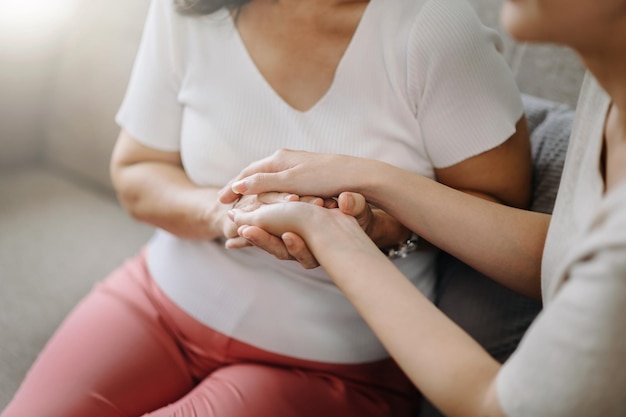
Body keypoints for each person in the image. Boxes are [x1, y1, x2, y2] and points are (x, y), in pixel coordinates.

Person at [0, 0, 532, 416]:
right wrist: (224, 213)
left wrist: (376, 228)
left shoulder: (432, 28)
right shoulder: (192, 10)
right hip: (156, 301)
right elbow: (136, 171)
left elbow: (500, 209)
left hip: (329, 364)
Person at [220, 1, 626, 416]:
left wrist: (333, 236)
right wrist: (366, 176)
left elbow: (493, 406)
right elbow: (562, 252)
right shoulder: (608, 89)